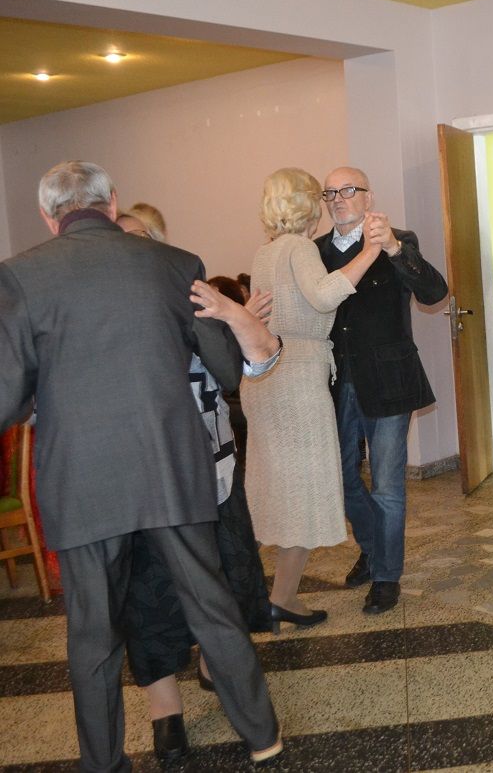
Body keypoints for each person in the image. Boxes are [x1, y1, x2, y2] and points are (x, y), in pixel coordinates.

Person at [0, 161, 282, 770]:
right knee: (211, 606)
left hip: (82, 481)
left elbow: (6, 399)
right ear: (111, 203)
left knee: (93, 636)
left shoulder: (18, 277)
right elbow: (228, 372)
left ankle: (104, 764)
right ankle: (263, 736)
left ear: (48, 216)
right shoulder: (176, 264)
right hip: (170, 467)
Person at [111, 207, 281, 762]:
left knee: (224, 583)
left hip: (210, 473)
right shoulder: (101, 310)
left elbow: (243, 367)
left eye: (140, 238)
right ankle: (166, 714)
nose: (129, 249)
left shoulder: (190, 296)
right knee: (145, 600)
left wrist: (234, 317)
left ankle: (216, 665)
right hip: (136, 485)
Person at [241, 167, 384, 631]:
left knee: (277, 492)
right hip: (297, 380)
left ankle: (267, 596)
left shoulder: (265, 251)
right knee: (302, 492)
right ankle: (279, 597)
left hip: (267, 377)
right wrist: (371, 251)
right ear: (307, 203)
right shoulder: (299, 248)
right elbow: (324, 297)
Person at [316, 166, 449, 616]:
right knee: (341, 477)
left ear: (368, 198)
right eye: (330, 193)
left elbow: (434, 293)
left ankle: (386, 576)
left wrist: (393, 248)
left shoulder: (399, 240)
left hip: (389, 379)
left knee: (388, 483)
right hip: (334, 381)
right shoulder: (314, 251)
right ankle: (373, 548)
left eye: (348, 190)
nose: (338, 199)